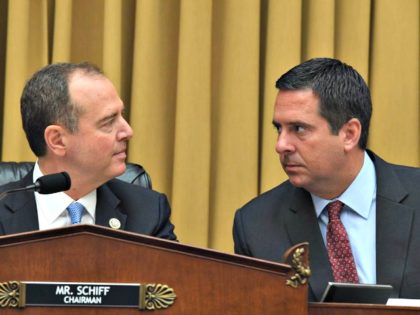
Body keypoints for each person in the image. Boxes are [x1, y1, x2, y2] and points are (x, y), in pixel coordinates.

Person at [233, 58, 420, 301]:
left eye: (298, 129)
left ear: (349, 134)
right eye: (279, 129)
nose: (281, 145)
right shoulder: (256, 225)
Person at [0, 62, 176, 240]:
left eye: (121, 115)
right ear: (57, 140)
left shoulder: (149, 212)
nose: (128, 132)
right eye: (108, 122)